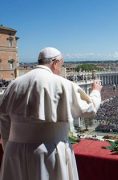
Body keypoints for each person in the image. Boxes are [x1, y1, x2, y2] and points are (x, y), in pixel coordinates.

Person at [0, 47, 102, 180]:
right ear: (55, 63)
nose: (60, 69)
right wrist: (96, 91)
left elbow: (4, 121)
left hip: (14, 152)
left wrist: (10, 147)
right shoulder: (63, 84)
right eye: (61, 65)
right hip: (48, 152)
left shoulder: (14, 85)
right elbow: (90, 109)